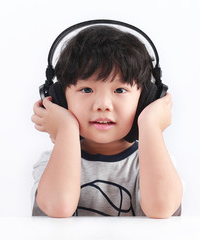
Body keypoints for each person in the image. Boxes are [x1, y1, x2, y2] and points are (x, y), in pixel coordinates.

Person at [31, 24, 183, 218]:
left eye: (120, 90)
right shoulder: (49, 162)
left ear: (146, 99)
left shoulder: (156, 161)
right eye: (86, 90)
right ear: (61, 98)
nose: (102, 105)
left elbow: (161, 209)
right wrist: (66, 128)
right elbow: (58, 208)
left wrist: (150, 125)